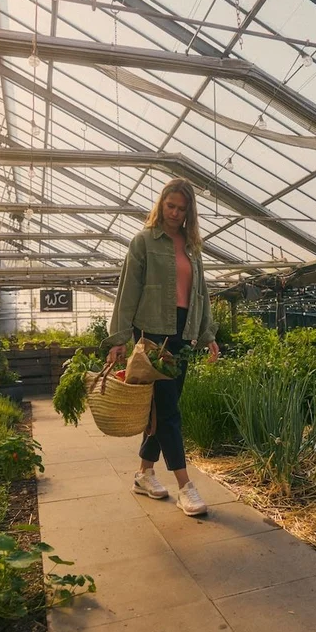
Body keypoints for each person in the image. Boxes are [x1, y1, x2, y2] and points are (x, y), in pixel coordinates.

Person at [105, 177, 220, 516]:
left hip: (183, 334)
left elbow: (201, 295)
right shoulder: (143, 242)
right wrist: (119, 339)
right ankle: (186, 486)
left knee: (161, 408)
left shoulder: (191, 247)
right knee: (168, 410)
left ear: (189, 213)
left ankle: (143, 473)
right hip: (152, 334)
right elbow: (128, 290)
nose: (175, 213)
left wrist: (209, 334)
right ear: (160, 205)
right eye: (170, 206)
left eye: (182, 209)